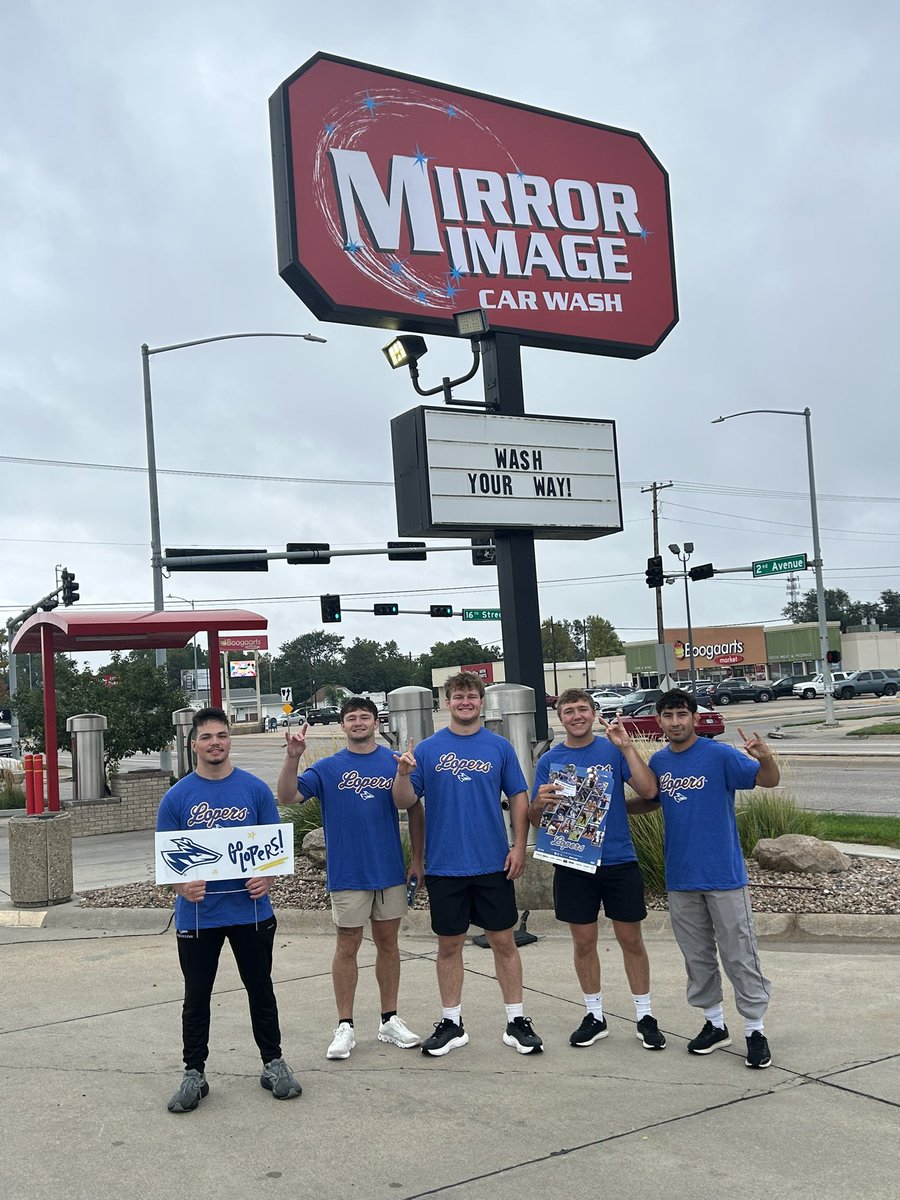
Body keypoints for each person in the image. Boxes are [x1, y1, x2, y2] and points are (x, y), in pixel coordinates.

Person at [156, 707, 302, 1113]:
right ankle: (193, 1074)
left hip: (251, 912)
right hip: (199, 917)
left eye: (220, 735)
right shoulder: (177, 797)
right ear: (194, 745)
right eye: (206, 737)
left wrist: (267, 879)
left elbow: (274, 852)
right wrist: (181, 887)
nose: (214, 743)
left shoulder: (254, 790)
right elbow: (167, 863)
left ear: (229, 740)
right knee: (196, 995)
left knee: (261, 989)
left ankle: (273, 1062)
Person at [392, 672, 543, 1057]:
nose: (464, 702)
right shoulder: (426, 750)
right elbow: (404, 801)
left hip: (492, 862)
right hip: (445, 866)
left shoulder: (499, 747)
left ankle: (516, 1021)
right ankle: (452, 1023)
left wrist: (519, 846)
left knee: (504, 942)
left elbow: (519, 796)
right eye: (458, 696)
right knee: (449, 946)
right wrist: (402, 775)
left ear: (480, 702)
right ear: (447, 702)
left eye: (471, 696)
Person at [277, 696, 424, 1060]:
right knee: (347, 946)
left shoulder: (394, 762)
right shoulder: (328, 768)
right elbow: (288, 795)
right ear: (342, 726)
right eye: (351, 718)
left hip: (388, 870)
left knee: (388, 945)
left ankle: (389, 1019)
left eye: (365, 717)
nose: (358, 722)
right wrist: (293, 756)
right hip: (348, 872)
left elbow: (406, 803)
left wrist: (404, 775)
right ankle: (345, 1026)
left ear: (376, 722)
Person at [639, 689, 780, 1069]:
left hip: (723, 875)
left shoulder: (719, 756)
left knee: (739, 953)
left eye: (681, 714)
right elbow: (652, 799)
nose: (675, 722)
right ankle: (714, 1025)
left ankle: (754, 1029)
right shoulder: (661, 761)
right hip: (681, 877)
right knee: (697, 955)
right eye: (667, 715)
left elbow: (767, 781)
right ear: (660, 721)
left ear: (694, 718)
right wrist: (609, 808)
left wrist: (765, 758)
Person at [529, 689, 667, 1051]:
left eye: (582, 709)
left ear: (594, 713)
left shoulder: (611, 749)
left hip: (619, 860)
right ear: (560, 718)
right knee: (584, 941)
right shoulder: (550, 760)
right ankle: (594, 1015)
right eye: (569, 711)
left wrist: (625, 747)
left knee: (631, 940)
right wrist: (539, 804)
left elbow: (650, 791)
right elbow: (534, 819)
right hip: (574, 861)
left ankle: (645, 1015)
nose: (576, 715)